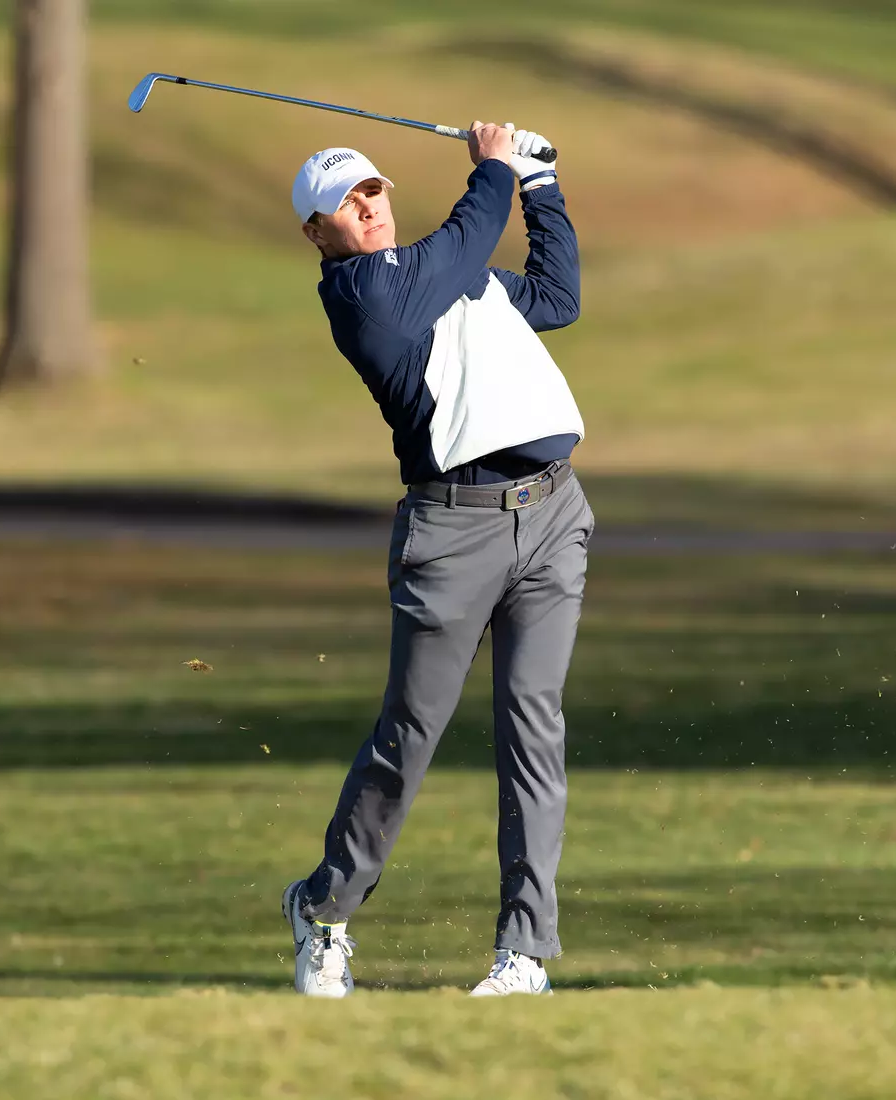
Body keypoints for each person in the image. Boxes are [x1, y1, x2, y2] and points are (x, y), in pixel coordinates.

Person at [281, 121, 593, 997]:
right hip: (453, 536)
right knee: (410, 734)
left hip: (554, 513)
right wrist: (495, 166)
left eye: (373, 191)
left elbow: (557, 297)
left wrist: (539, 187)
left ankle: (524, 953)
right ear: (317, 233)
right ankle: (326, 912)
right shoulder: (365, 297)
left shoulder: (448, 276)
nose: (368, 208)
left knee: (535, 731)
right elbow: (462, 241)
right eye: (346, 204)